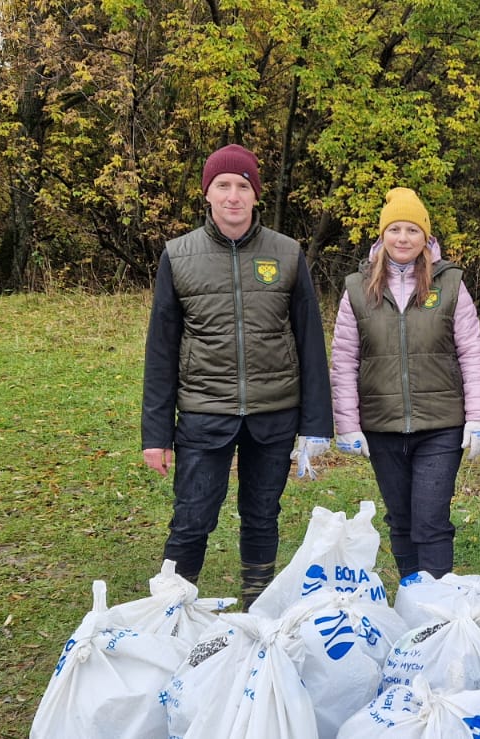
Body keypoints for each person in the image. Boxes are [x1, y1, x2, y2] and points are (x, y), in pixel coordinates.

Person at [141, 143, 334, 610]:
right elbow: (162, 349)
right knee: (192, 516)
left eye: (242, 187)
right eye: (222, 186)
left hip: (274, 413)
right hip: (206, 412)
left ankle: (258, 606)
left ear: (255, 195)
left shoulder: (286, 254)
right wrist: (156, 434)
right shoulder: (178, 255)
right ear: (207, 194)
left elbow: (309, 341)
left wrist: (316, 425)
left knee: (262, 515)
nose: (232, 196)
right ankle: (173, 608)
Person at [329, 187, 480, 579]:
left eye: (412, 230)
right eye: (395, 229)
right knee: (400, 520)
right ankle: (411, 597)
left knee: (430, 519)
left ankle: (435, 605)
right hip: (382, 426)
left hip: (441, 425)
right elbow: (344, 358)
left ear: (426, 238)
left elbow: (471, 351)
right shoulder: (358, 287)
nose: (403, 238)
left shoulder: (450, 284)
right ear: (382, 236)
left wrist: (478, 418)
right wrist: (347, 425)